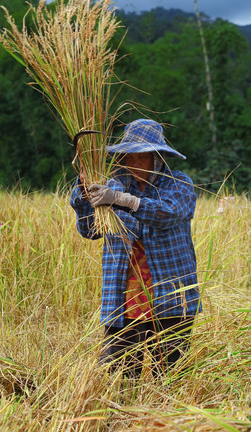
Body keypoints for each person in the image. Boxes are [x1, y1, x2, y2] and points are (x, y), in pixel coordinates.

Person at [70, 119, 202, 377]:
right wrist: (84, 195)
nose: (135, 163)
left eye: (142, 157)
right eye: (129, 157)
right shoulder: (114, 185)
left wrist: (122, 201)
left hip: (170, 299)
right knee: (117, 374)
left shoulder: (178, 184)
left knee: (169, 376)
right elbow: (90, 230)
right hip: (124, 298)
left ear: (158, 157)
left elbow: (168, 213)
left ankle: (166, 417)